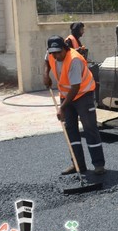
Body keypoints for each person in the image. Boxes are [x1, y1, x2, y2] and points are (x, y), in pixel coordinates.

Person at [43, 35, 106, 175]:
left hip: (83, 94)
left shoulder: (74, 60)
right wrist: (46, 74)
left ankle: (98, 165)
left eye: (59, 52)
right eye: (54, 53)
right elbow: (47, 61)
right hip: (66, 96)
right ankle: (78, 165)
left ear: (65, 48)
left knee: (90, 128)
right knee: (70, 129)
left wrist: (62, 108)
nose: (56, 55)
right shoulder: (51, 53)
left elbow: (75, 87)